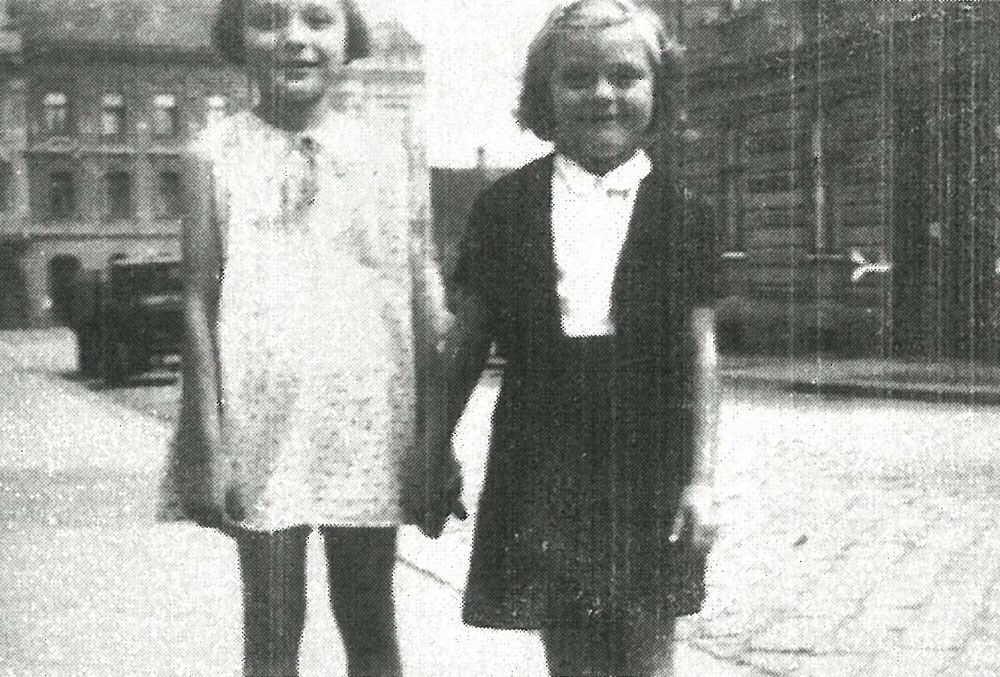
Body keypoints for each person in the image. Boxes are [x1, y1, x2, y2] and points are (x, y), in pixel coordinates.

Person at [158, 1, 463, 675]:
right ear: (236, 37)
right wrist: (205, 438)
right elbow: (198, 298)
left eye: (317, 19)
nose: (294, 38)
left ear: (349, 37)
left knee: (370, 617)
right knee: (271, 625)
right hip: (261, 417)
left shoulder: (388, 152)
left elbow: (421, 291)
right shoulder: (213, 154)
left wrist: (435, 435)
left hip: (366, 417)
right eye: (268, 19)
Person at [435, 1, 720, 675]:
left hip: (649, 453)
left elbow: (700, 353)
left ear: (659, 90)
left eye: (625, 76)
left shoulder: (683, 210)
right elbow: (466, 344)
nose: (602, 94)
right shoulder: (505, 207)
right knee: (571, 653)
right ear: (543, 94)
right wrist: (433, 447)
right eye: (577, 78)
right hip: (543, 454)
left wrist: (703, 480)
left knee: (645, 650)